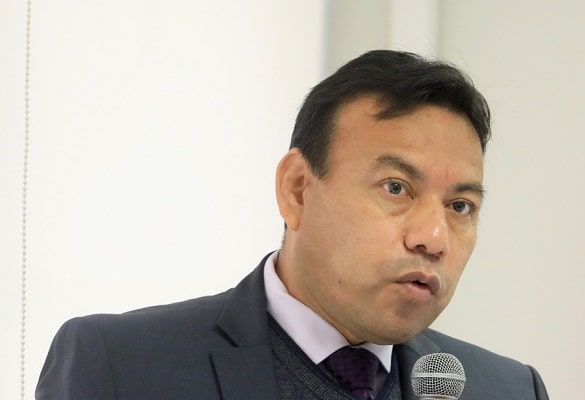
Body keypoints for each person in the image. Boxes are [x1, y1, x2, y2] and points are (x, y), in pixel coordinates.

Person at [36, 50, 549, 399]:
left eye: (460, 206)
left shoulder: (506, 390)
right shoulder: (122, 367)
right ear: (298, 189)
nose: (433, 239)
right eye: (396, 188)